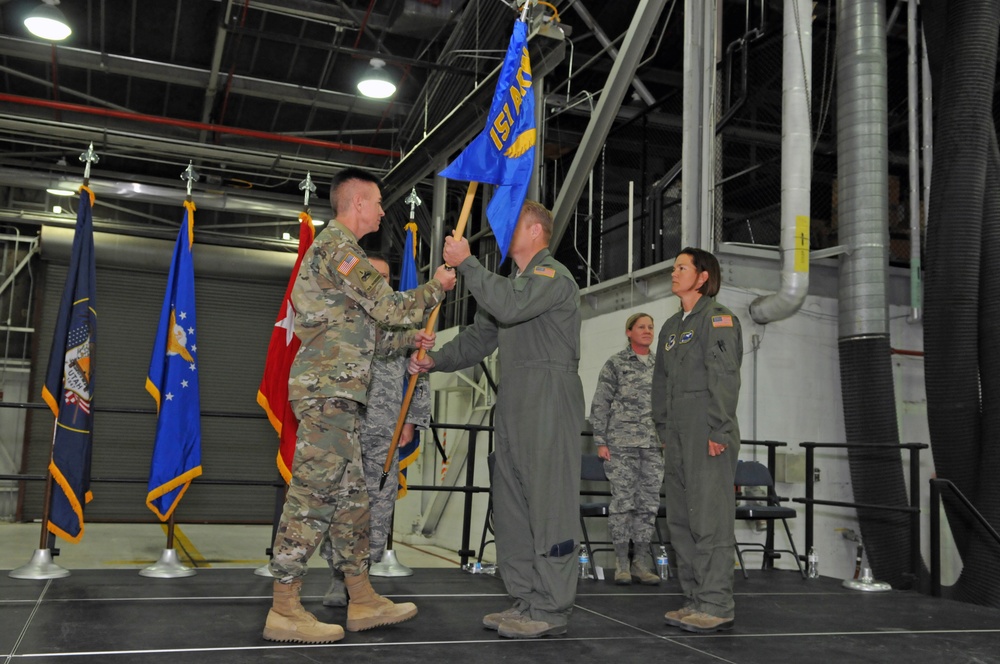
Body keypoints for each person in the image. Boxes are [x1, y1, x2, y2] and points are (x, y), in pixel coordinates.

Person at [262, 167, 457, 644]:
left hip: (342, 392)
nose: (381, 210)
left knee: (352, 501)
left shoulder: (339, 254)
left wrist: (411, 337)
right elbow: (389, 307)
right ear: (356, 204)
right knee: (313, 495)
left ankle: (362, 597)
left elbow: (368, 330)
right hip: (328, 392)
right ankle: (284, 606)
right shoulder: (338, 249)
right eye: (376, 202)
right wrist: (438, 287)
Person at [409, 200, 585, 640]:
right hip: (516, 399)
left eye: (511, 227)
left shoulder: (551, 277)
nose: (504, 235)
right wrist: (435, 360)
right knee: (512, 504)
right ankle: (526, 598)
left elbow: (507, 307)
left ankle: (551, 606)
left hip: (548, 393)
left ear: (534, 233)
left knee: (547, 503)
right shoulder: (513, 286)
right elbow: (477, 339)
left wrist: (466, 262)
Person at [319, 255, 432, 607]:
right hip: (345, 428)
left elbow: (419, 376)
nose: (377, 281)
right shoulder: (344, 316)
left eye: (384, 276)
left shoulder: (404, 323)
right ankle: (339, 578)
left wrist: (411, 421)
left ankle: (362, 580)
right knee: (340, 504)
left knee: (378, 505)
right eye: (372, 275)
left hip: (386, 429)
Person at [651, 247, 743, 634]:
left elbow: (724, 377)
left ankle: (716, 602)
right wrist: (662, 429)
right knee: (680, 520)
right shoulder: (672, 327)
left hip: (707, 428)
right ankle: (694, 598)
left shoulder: (718, 319)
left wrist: (719, 429)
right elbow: (660, 382)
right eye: (674, 268)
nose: (674, 273)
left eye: (682, 268)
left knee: (710, 520)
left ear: (702, 277)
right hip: (676, 432)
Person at [589, 312, 663, 586]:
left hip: (653, 445)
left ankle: (640, 562)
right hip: (621, 445)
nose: (647, 331)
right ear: (629, 332)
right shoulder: (616, 364)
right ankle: (621, 563)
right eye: (641, 327)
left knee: (648, 505)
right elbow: (601, 402)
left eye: (651, 327)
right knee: (623, 503)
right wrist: (601, 440)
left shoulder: (660, 365)